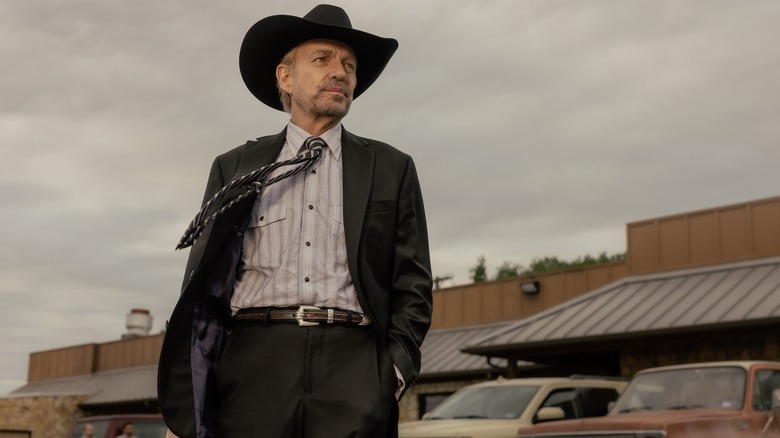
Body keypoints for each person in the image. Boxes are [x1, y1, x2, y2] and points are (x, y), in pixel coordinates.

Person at [157, 4, 433, 438]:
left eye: (349, 65)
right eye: (322, 59)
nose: (340, 72)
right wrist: (191, 401)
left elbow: (414, 283)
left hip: (355, 366)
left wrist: (392, 372)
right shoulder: (237, 167)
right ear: (285, 77)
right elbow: (203, 287)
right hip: (254, 363)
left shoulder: (392, 168)